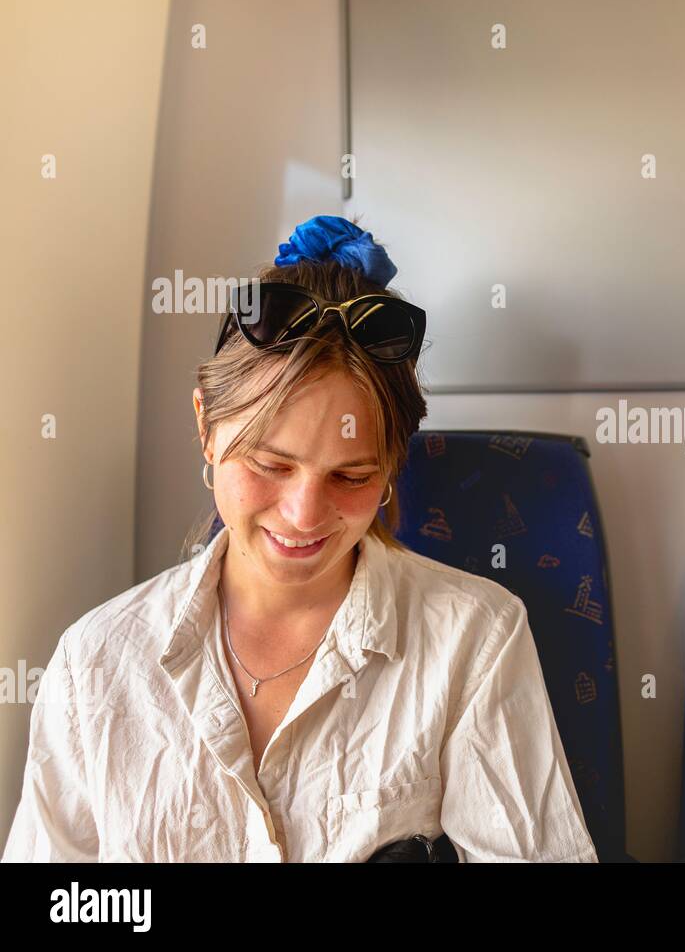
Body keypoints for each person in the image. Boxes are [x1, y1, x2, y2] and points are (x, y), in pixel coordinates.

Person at [2, 216, 598, 862]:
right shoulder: (93, 668)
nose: (304, 514)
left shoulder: (475, 641)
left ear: (392, 467)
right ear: (207, 428)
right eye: (269, 464)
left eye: (351, 475)